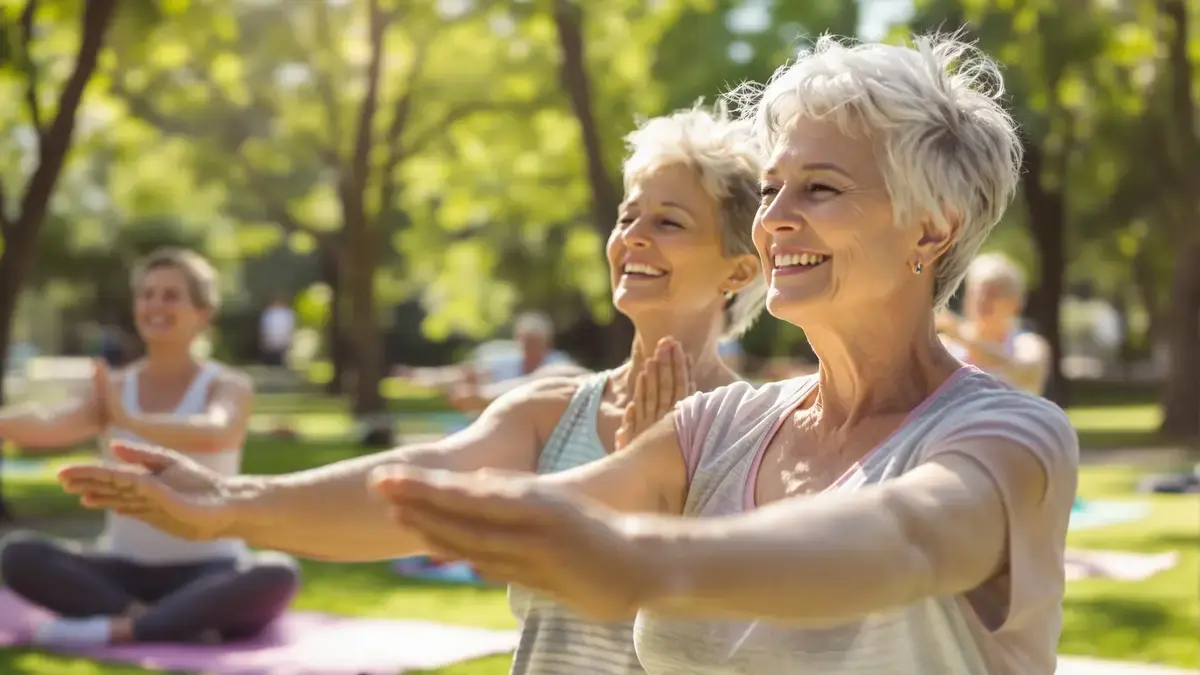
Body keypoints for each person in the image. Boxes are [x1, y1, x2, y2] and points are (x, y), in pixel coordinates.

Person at [353, 34, 1075, 674]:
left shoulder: (1008, 434)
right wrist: (431, 509)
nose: (774, 218)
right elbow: (546, 509)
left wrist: (643, 560)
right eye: (771, 189)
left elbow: (908, 539)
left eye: (819, 188)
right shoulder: (718, 426)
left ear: (931, 229)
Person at [58, 104, 768, 675]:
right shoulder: (551, 410)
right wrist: (225, 501)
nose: (633, 236)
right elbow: (410, 489)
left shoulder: (761, 433)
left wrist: (659, 506)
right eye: (627, 215)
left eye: (668, 221)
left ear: (739, 270)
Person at [0, 248, 298, 647]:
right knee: (19, 554)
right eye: (147, 294)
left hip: (210, 569)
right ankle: (165, 620)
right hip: (122, 570)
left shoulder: (228, 385)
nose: (155, 305)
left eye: (171, 296)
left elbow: (215, 432)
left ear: (203, 313)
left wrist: (132, 420)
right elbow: (49, 422)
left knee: (277, 574)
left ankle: (120, 628)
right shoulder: (114, 387)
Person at [938, 252, 1051, 394]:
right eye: (976, 292)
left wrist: (961, 337)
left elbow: (1021, 370)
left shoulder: (1028, 345)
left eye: (992, 294)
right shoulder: (946, 346)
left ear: (1015, 303)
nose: (982, 300)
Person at [258, 294, 295, 368]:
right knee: (269, 359)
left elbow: (289, 327)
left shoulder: (287, 313)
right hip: (270, 340)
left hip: (282, 341)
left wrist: (288, 339)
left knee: (280, 360)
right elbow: (264, 326)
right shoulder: (269, 312)